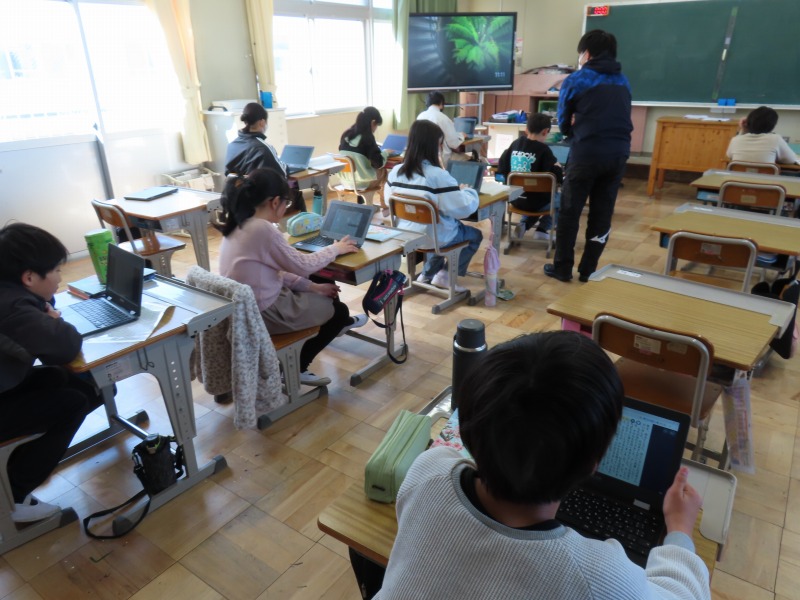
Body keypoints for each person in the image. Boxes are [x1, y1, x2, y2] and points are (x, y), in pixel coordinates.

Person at [374, 331, 710, 600]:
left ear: (467, 430)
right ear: (593, 464)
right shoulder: (597, 578)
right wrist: (680, 530)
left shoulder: (428, 470)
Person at [216, 168, 367, 387]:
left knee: (322, 287)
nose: (286, 208)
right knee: (338, 311)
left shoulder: (239, 221)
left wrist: (312, 287)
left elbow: (272, 272)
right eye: (286, 203)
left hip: (248, 306)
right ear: (275, 201)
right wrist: (336, 248)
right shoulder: (262, 229)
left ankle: (332, 326)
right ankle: (296, 367)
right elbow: (303, 266)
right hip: (264, 312)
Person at [0, 223, 103, 523]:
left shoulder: (9, 293)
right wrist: (55, 319)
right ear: (29, 277)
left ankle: (16, 467)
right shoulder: (14, 308)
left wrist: (46, 308)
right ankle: (13, 497)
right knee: (73, 402)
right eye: (56, 271)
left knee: (74, 383)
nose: (59, 277)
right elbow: (64, 347)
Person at [543, 29, 632, 283]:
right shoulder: (623, 80)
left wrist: (571, 132)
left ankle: (563, 268)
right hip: (618, 154)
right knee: (602, 213)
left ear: (587, 53)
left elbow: (563, 118)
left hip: (587, 153)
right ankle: (589, 271)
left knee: (570, 212)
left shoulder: (577, 79)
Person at [384, 120, 482, 293]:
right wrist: (468, 191)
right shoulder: (438, 176)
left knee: (439, 228)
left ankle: (426, 275)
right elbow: (463, 209)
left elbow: (388, 201)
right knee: (474, 235)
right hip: (434, 237)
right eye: (440, 144)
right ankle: (445, 275)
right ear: (433, 146)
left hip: (406, 234)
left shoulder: (395, 172)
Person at [225, 102, 306, 211]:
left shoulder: (232, 145)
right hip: (262, 204)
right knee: (296, 195)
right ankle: (306, 222)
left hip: (241, 203)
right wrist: (285, 165)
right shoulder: (263, 148)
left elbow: (229, 174)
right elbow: (281, 175)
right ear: (262, 122)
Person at [497, 112, 564, 240]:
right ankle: (542, 230)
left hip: (515, 199)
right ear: (545, 131)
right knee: (564, 199)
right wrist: (558, 168)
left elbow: (502, 167)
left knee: (535, 197)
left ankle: (523, 225)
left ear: (526, 129)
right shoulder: (544, 150)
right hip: (536, 202)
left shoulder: (515, 144)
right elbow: (557, 179)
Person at [339, 107, 391, 211]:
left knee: (363, 168)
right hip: (362, 183)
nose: (375, 129)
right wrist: (386, 153)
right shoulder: (367, 138)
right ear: (372, 122)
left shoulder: (346, 135)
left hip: (345, 181)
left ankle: (363, 203)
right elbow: (379, 163)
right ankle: (384, 204)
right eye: (376, 125)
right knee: (383, 171)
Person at [726, 106, 800, 165]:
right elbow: (791, 160)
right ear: (772, 125)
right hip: (765, 179)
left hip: (737, 179)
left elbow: (729, 156)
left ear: (748, 123)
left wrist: (743, 130)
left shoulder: (736, 140)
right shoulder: (775, 139)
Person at [417, 91, 468, 167]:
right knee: (468, 158)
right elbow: (453, 144)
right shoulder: (443, 118)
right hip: (441, 159)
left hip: (422, 158)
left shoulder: (420, 116)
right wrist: (462, 136)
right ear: (441, 103)